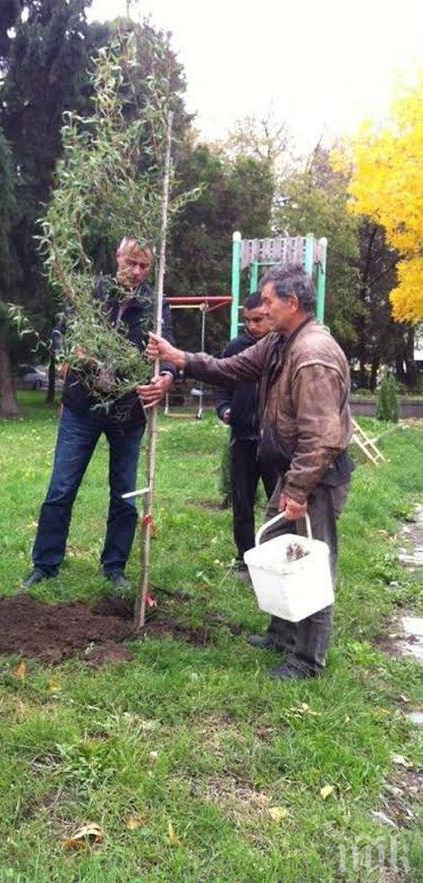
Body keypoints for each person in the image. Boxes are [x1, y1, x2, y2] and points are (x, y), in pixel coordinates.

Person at [146, 263, 353, 680]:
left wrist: (296, 489)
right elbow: (233, 369)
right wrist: (180, 358)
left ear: (292, 303)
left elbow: (324, 437)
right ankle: (281, 634)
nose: (262, 306)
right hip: (293, 472)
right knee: (278, 544)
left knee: (310, 562)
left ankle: (308, 659)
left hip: (315, 476)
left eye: (270, 299)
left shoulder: (312, 354)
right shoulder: (280, 342)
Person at [24, 237, 177, 590]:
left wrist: (167, 375)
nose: (137, 272)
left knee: (124, 492)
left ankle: (114, 567)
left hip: (128, 411)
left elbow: (166, 346)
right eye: (131, 263)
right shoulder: (89, 294)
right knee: (61, 487)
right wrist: (71, 353)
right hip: (83, 407)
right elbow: (61, 335)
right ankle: (45, 566)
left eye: (144, 266)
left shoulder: (156, 304)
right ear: (117, 258)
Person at [214, 293, 279, 574]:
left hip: (274, 441)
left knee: (278, 502)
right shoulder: (235, 348)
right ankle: (245, 558)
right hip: (242, 438)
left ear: (270, 315)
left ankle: (277, 555)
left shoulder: (281, 347)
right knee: (242, 502)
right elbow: (220, 383)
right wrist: (224, 408)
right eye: (248, 321)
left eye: (258, 320)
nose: (252, 326)